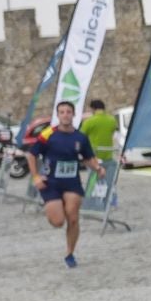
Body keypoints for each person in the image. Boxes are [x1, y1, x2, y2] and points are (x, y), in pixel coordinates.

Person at [29, 100, 105, 268]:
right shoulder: (48, 134)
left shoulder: (80, 137)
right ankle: (55, 207)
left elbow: (87, 158)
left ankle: (70, 253)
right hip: (51, 183)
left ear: (73, 114)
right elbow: (31, 155)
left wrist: (98, 168)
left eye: (68, 112)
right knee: (58, 222)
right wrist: (35, 177)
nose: (65, 115)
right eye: (62, 112)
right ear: (58, 115)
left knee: (73, 218)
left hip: (72, 183)